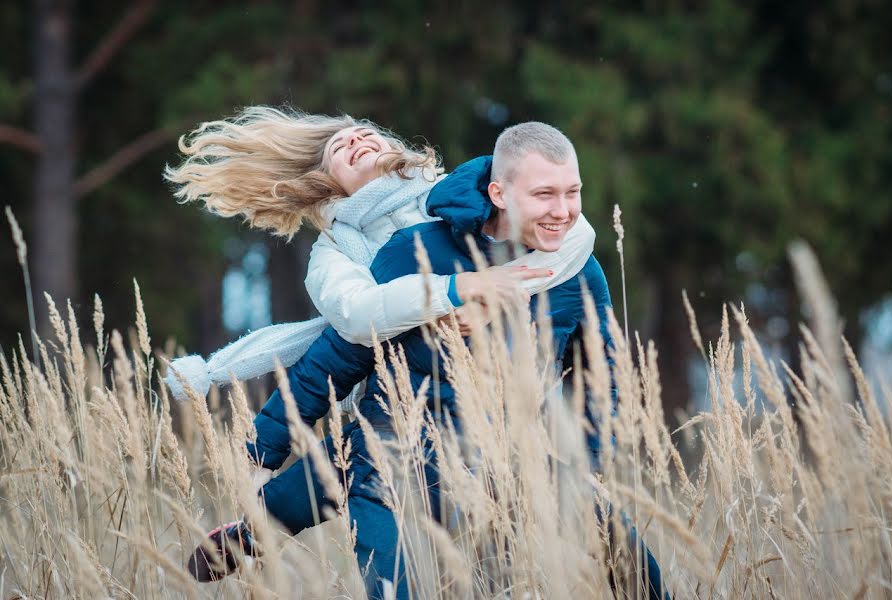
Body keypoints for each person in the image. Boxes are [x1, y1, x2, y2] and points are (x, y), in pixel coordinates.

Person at [188, 122, 668, 600]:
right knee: (364, 482)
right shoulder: (360, 250)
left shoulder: (556, 253)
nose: (561, 209)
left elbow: (601, 374)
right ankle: (260, 526)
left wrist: (589, 460)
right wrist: (262, 447)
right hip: (393, 437)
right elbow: (340, 347)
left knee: (627, 555)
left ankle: (260, 526)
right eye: (340, 146)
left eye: (571, 193)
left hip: (498, 445)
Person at [163, 107, 596, 420]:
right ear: (321, 181)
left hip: (515, 386)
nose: (358, 139)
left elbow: (578, 235)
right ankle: (246, 532)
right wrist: (450, 296)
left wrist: (495, 291)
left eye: (367, 134)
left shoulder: (454, 192)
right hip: (404, 399)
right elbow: (355, 317)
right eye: (341, 146)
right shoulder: (333, 252)